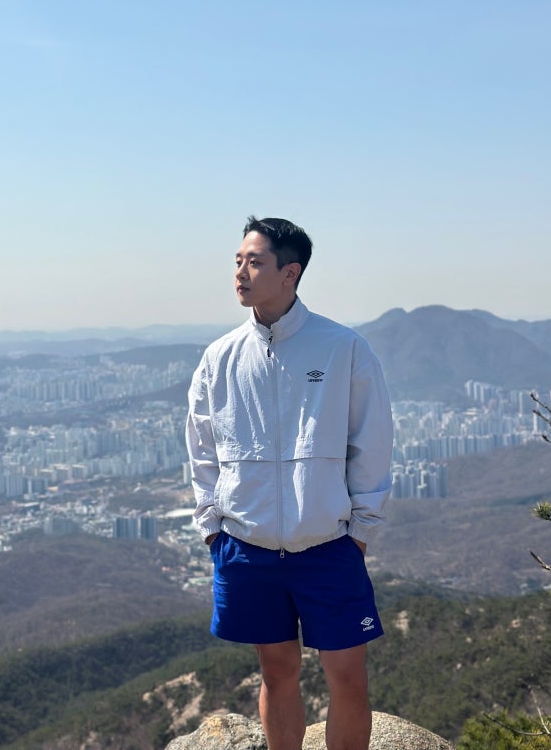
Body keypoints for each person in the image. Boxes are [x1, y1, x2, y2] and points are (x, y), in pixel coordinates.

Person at [186, 216, 393, 750]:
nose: (240, 272)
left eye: (254, 262)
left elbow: (371, 441)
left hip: (328, 544)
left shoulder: (342, 347)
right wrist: (212, 528)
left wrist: (360, 532)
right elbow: (201, 448)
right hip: (247, 545)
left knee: (348, 678)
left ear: (290, 272)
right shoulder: (220, 357)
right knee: (276, 674)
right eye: (238, 261)